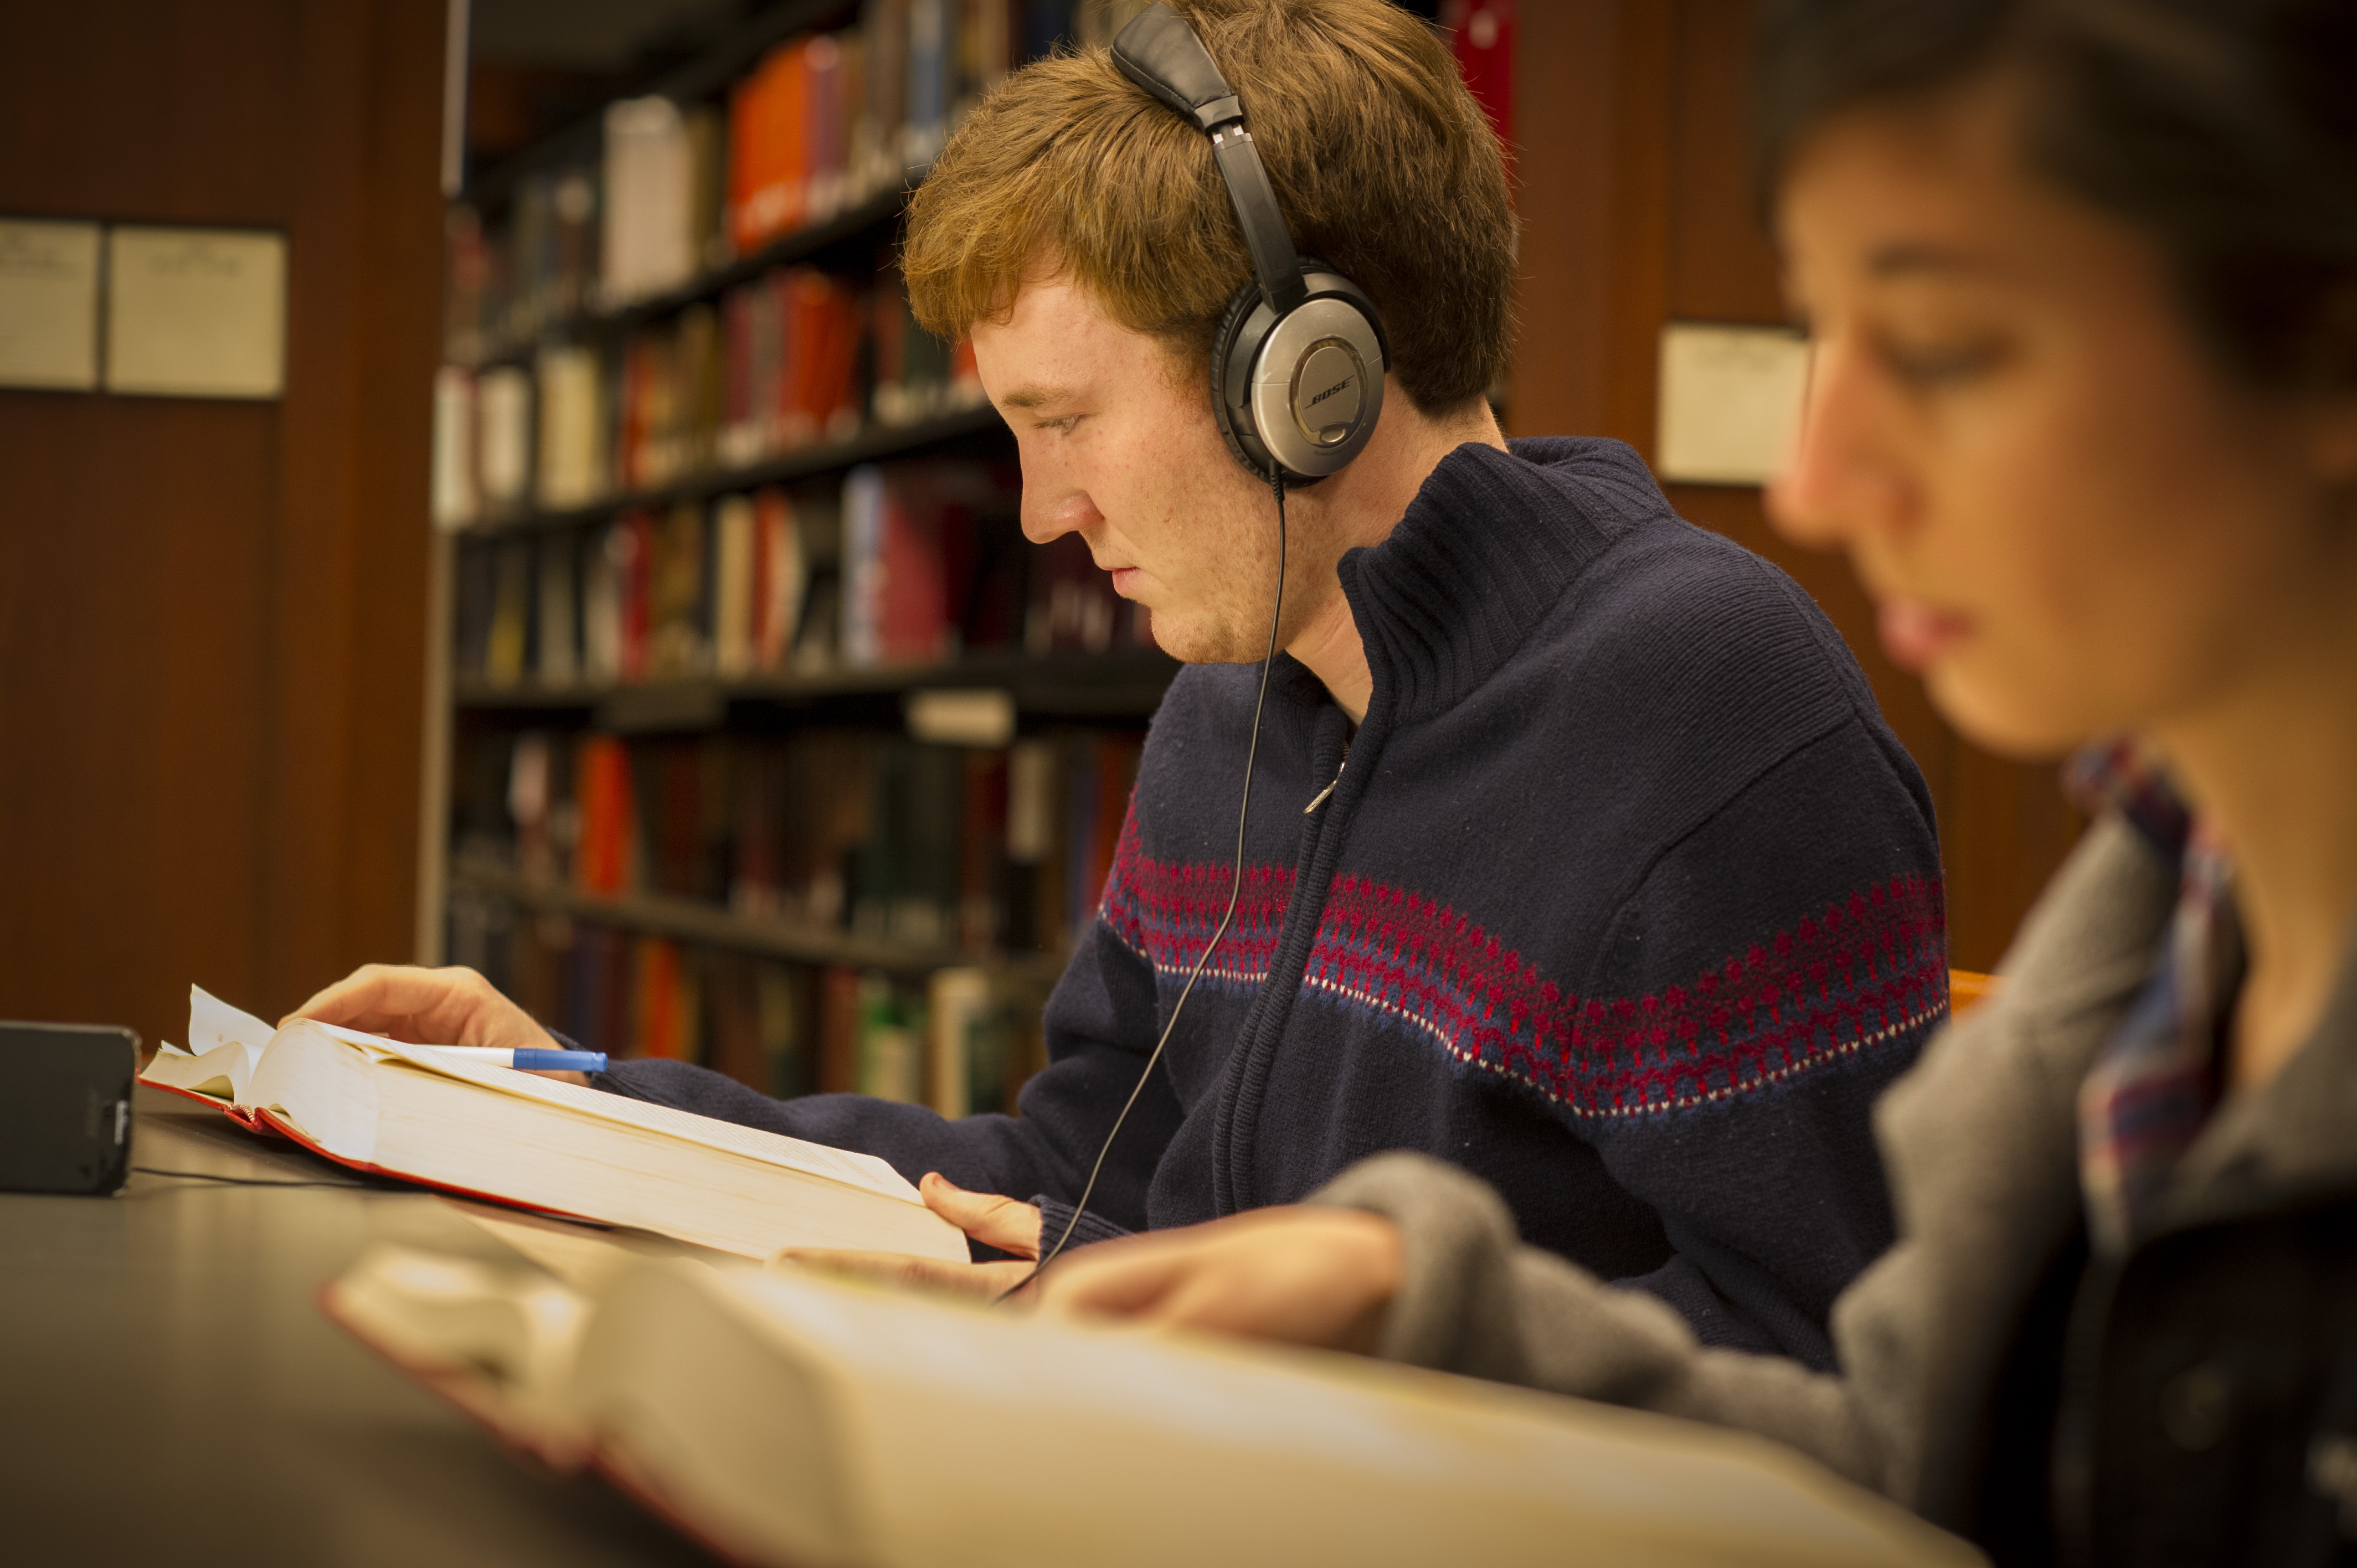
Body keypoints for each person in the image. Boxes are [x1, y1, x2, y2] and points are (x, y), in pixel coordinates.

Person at [298, 0, 1947, 1368]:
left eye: (1065, 421)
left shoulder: (1707, 715)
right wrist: (584, 1111)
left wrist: (1338, 1344)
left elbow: (1830, 1369)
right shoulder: (1226, 714)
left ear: (1306, 377)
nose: (1039, 511)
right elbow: (1069, 1184)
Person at [1025, 0, 2357, 1557]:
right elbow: (1898, 1460)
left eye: (1943, 348)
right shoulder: (2159, 929)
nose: (1814, 477)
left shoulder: (1717, 698)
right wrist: (1411, 1302)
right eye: (1818, 334)